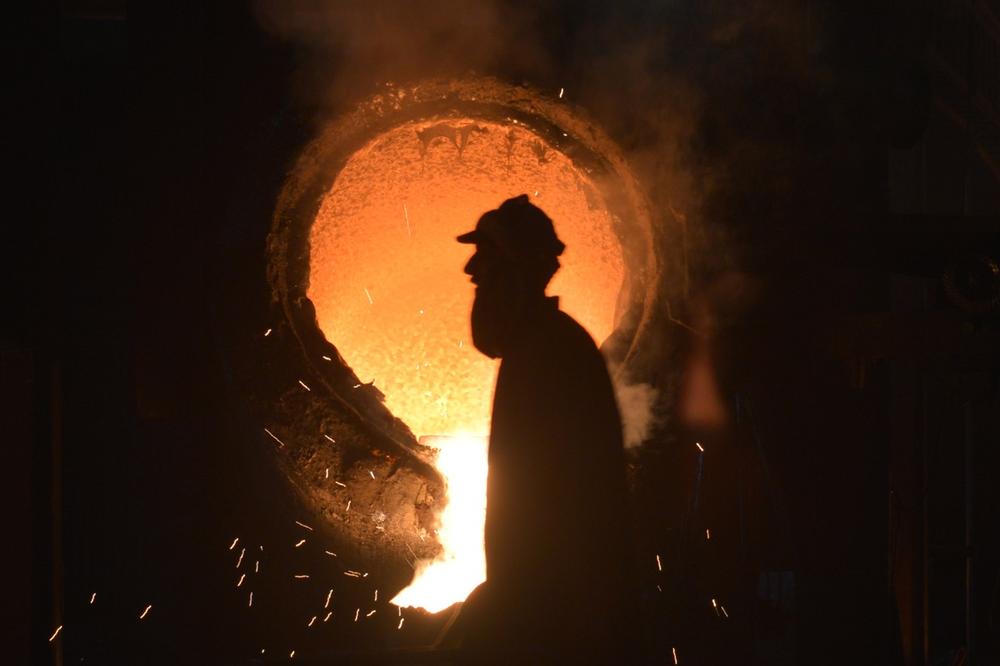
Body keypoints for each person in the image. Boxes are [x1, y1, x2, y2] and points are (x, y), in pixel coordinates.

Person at [449, 195, 639, 664]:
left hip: (558, 622)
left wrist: (525, 610)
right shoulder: (538, 349)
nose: (472, 272)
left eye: (486, 261)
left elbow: (569, 511)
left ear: (517, 270)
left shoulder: (554, 357)